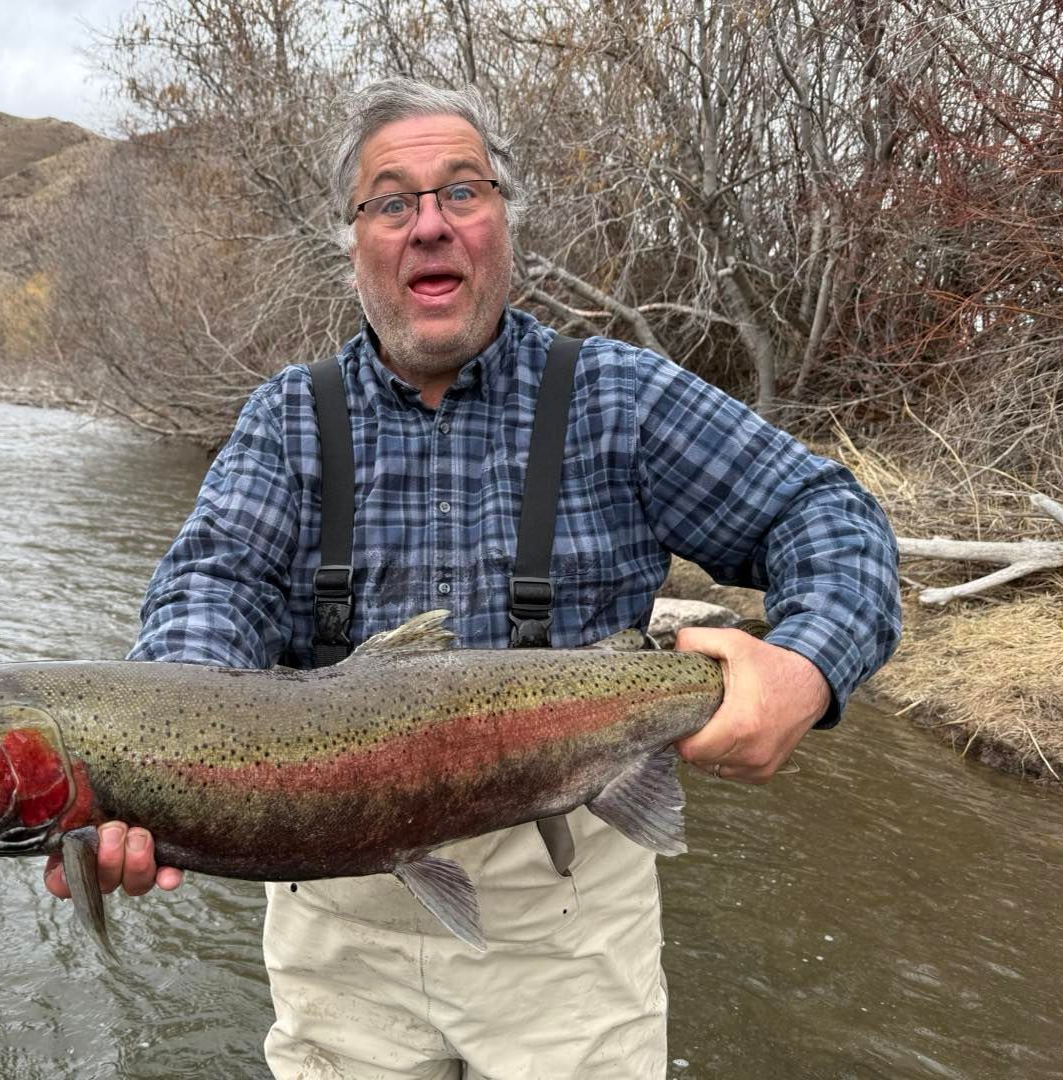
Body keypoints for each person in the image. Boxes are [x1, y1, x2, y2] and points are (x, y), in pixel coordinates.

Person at [46, 78, 901, 1077]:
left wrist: (805, 664)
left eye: (463, 191)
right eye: (392, 201)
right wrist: (151, 775)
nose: (429, 226)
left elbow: (831, 517)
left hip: (570, 922)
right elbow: (211, 594)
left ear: (504, 221)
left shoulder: (618, 399)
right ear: (353, 240)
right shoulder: (287, 423)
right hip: (340, 929)